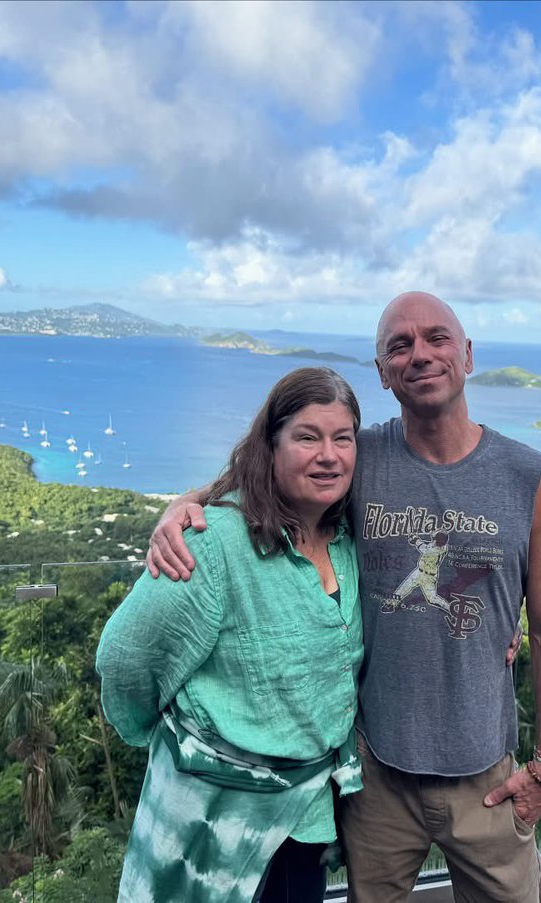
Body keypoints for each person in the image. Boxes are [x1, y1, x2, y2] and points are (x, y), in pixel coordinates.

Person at [148, 292, 541, 902]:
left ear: (468, 355)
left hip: (487, 777)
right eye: (400, 346)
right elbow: (259, 482)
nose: (420, 354)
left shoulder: (534, 480)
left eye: (437, 338)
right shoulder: (358, 458)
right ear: (381, 372)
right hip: (376, 779)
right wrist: (182, 506)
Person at [97, 367, 365, 903]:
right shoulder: (214, 541)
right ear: (271, 445)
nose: (328, 455)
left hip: (304, 815)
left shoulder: (350, 536)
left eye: (343, 438)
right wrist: (170, 735)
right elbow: (125, 657)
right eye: (307, 437)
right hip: (209, 816)